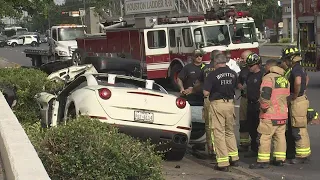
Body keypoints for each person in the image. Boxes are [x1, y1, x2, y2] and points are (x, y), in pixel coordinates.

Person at [249, 59, 290, 169]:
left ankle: (263, 161)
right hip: (282, 114)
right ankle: (279, 159)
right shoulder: (284, 79)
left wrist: (264, 107)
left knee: (265, 137)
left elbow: (265, 95)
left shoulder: (268, 78)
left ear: (268, 67)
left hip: (270, 114)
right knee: (280, 137)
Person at [203, 53, 239, 172]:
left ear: (216, 62)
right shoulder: (233, 73)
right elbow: (236, 87)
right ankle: (234, 157)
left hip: (218, 104)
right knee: (229, 131)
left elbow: (206, 93)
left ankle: (223, 162)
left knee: (218, 133)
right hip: (230, 104)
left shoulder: (213, 74)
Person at [281, 46, 311, 163]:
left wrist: (295, 94)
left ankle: (301, 156)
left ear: (291, 59)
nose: (286, 61)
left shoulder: (295, 69)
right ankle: (304, 153)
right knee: (301, 127)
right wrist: (303, 89)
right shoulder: (300, 68)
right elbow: (306, 78)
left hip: (297, 101)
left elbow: (298, 81)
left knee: (297, 129)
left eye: (287, 59)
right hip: (301, 99)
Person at [194, 50, 222, 156]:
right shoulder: (224, 70)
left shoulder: (205, 68)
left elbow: (198, 83)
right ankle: (222, 149)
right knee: (222, 126)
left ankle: (211, 149)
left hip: (208, 99)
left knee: (209, 125)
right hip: (221, 100)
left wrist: (191, 90)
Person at [244, 53, 264, 157]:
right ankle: (254, 149)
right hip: (250, 104)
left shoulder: (262, 75)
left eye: (251, 65)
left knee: (259, 128)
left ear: (257, 64)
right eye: (248, 65)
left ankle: (261, 150)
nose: (249, 67)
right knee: (251, 128)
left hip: (258, 104)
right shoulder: (249, 75)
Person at [237, 50, 252, 152]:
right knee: (243, 121)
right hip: (244, 98)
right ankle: (244, 143)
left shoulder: (257, 70)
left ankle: (256, 143)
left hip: (254, 100)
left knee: (254, 122)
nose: (241, 60)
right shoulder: (243, 70)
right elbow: (238, 81)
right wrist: (239, 85)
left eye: (243, 58)